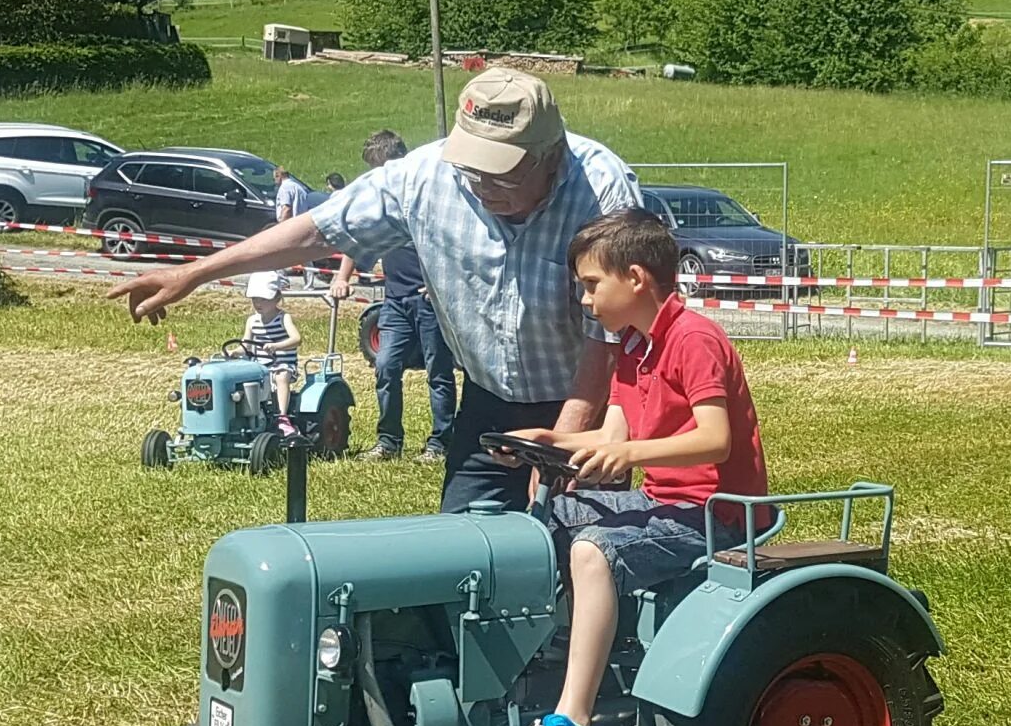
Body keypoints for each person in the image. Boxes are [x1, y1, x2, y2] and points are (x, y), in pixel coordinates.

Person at [109, 67, 641, 512]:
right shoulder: (424, 176)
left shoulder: (603, 189)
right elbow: (315, 231)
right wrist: (194, 273)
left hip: (588, 406)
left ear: (551, 154)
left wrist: (563, 444)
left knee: (582, 554)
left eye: (500, 175)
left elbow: (610, 336)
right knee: (462, 557)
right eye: (472, 170)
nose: (481, 186)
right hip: (488, 403)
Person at [489, 209, 769, 726]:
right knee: (546, 521)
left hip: (715, 518)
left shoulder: (693, 340)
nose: (585, 299)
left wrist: (633, 458)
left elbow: (714, 439)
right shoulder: (634, 348)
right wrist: (548, 439)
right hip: (666, 505)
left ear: (636, 278)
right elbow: (613, 436)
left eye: (591, 285)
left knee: (593, 549)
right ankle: (545, 666)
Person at [331, 130, 456, 463]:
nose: (376, 177)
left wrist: (437, 283)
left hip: (430, 302)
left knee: (438, 373)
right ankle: (389, 441)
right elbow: (358, 236)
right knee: (386, 366)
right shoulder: (381, 199)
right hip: (395, 301)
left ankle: (441, 443)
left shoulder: (426, 194)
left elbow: (451, 243)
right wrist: (342, 277)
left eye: (379, 168)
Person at [241, 271, 302, 437]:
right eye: (255, 299)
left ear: (277, 298)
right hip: (259, 367)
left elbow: (296, 339)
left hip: (283, 364)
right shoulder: (252, 321)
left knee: (280, 377)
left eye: (263, 299)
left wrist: (276, 346)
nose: (258, 303)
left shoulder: (283, 318)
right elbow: (245, 344)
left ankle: (282, 417)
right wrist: (235, 351)